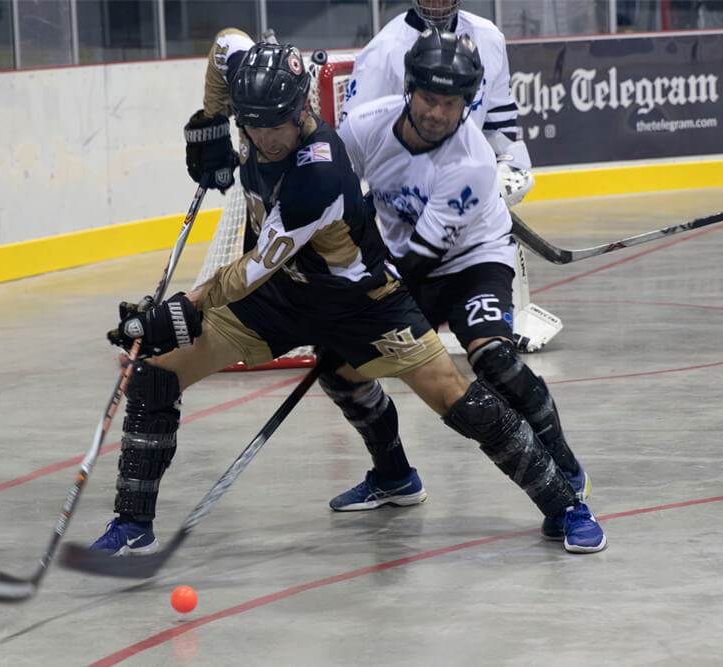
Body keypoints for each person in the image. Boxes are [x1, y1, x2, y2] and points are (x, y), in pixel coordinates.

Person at [89, 31, 607, 556]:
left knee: (457, 398)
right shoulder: (266, 94)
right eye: (253, 126)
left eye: (276, 125)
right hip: (283, 294)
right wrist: (211, 122)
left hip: (362, 300)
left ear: (302, 109)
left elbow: (254, 266)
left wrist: (184, 306)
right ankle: (132, 523)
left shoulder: (318, 173)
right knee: (157, 375)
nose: (265, 139)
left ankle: (566, 505)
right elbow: (226, 46)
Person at [324, 28, 598, 549]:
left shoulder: (471, 162)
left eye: (450, 104)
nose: (436, 113)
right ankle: (394, 476)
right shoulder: (363, 126)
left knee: (493, 358)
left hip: (473, 259)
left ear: (467, 103)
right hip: (405, 256)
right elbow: (327, 189)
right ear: (409, 89)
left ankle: (564, 465)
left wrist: (361, 300)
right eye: (428, 98)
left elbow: (418, 264)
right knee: (338, 370)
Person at [341, 0, 533, 209]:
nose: (437, 1)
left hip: (464, 189)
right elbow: (351, 148)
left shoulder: (489, 38)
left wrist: (498, 177)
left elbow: (499, 130)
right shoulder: (382, 50)